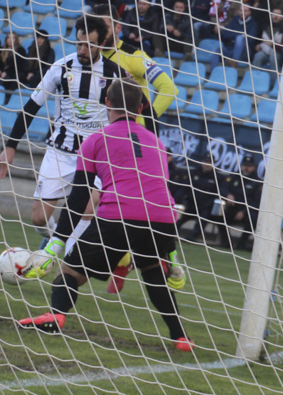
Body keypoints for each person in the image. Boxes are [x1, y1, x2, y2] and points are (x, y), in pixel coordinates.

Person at [16, 78, 193, 353]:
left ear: (106, 103)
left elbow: (78, 198)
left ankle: (56, 314)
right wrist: (171, 254)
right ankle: (181, 337)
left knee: (71, 271)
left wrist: (57, 243)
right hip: (162, 221)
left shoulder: (95, 140)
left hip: (119, 216)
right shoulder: (157, 144)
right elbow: (162, 194)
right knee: (153, 272)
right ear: (143, 107)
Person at [0, 17, 125, 241]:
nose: (83, 50)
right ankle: (56, 243)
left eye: (89, 45)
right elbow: (31, 107)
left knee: (87, 206)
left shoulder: (116, 74)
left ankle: (68, 260)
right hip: (61, 150)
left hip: (95, 155)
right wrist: (10, 146)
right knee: (38, 218)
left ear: (102, 43)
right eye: (79, 43)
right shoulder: (61, 67)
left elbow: (137, 111)